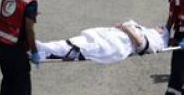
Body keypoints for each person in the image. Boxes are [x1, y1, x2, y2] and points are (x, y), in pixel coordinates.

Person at [37, 20, 169, 64]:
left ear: (163, 34)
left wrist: (126, 28)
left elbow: (141, 46)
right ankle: (43, 49)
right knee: (78, 42)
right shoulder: (146, 30)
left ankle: (41, 49)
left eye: (161, 27)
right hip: (110, 36)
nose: (158, 26)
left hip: (116, 44)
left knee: (82, 47)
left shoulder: (156, 41)